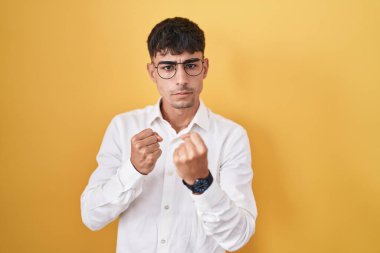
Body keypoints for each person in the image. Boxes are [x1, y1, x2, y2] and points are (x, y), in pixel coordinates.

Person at [80, 17, 257, 253]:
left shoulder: (231, 136)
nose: (181, 80)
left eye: (191, 65)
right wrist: (133, 169)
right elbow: (92, 217)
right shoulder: (123, 127)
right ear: (152, 72)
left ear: (204, 68)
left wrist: (202, 182)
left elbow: (237, 238)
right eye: (168, 67)